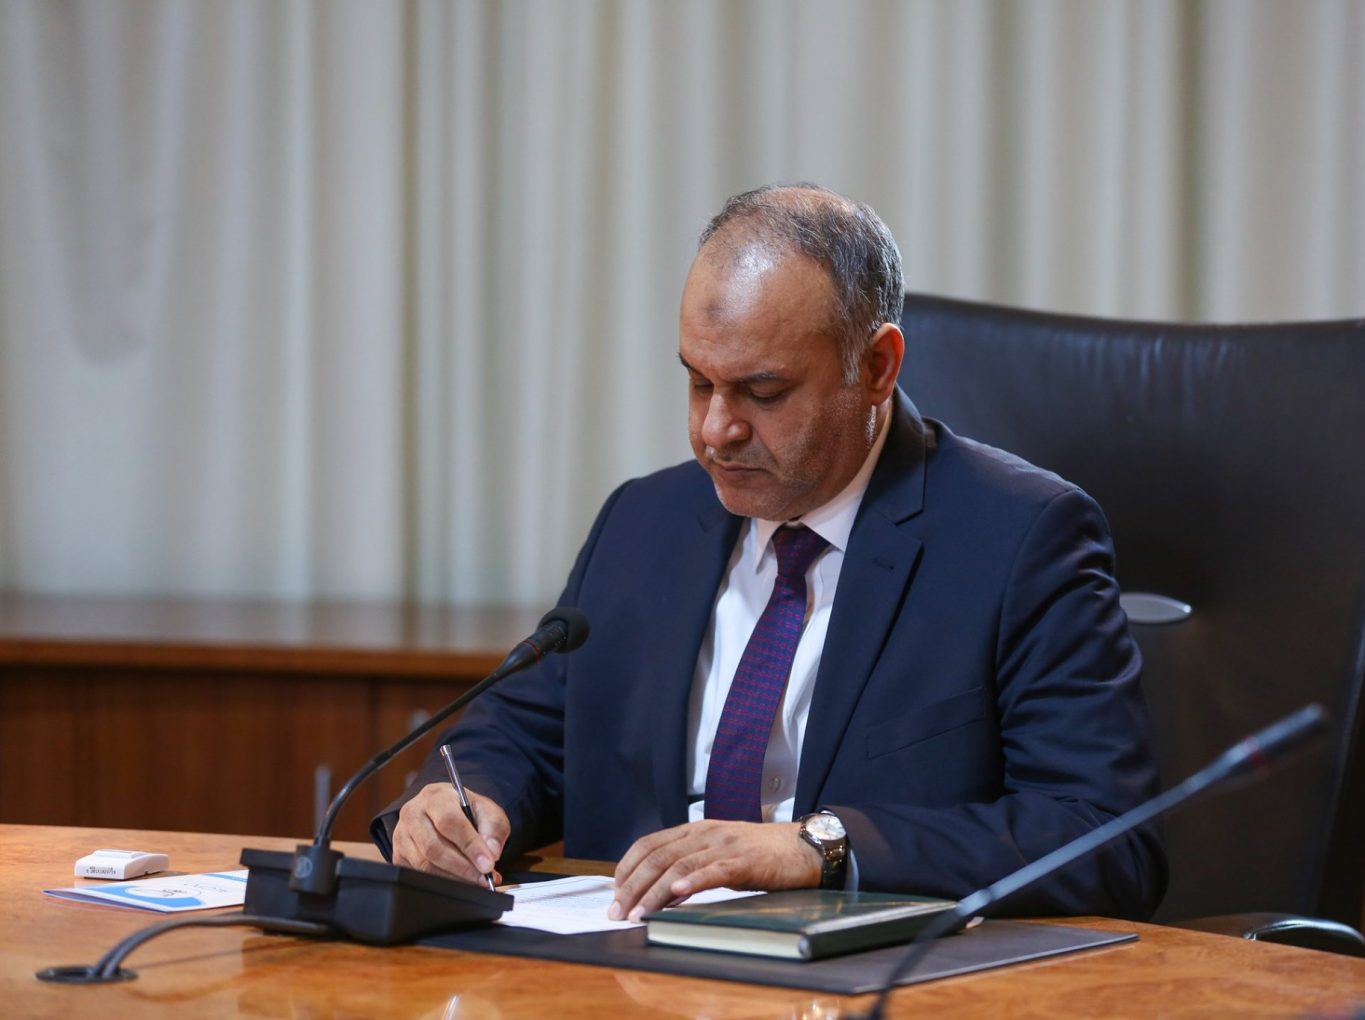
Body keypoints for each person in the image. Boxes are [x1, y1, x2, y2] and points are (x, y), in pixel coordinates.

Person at [372, 183, 1167, 922]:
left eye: (763, 392)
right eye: (697, 383)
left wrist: (821, 848)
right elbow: (523, 732)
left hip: (862, 981)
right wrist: (461, 804)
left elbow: (1106, 838)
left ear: (877, 367)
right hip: (623, 973)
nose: (715, 431)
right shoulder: (643, 522)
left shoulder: (1018, 537)